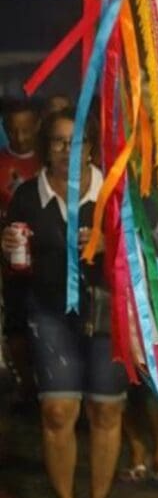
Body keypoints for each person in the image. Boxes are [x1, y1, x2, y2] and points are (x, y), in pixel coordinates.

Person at [2, 109, 126, 498]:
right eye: (57, 141)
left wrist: (110, 243)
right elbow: (16, 263)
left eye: (76, 142)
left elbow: (144, 250)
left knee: (105, 411)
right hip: (50, 313)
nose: (66, 150)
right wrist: (7, 246)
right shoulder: (27, 196)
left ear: (90, 147)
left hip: (106, 312)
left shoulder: (112, 189)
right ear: (46, 147)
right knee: (57, 412)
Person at [0, 99, 42, 408]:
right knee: (15, 325)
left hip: (48, 260)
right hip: (12, 259)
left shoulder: (48, 160)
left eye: (26, 129)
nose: (20, 137)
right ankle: (26, 387)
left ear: (38, 125)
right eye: (13, 130)